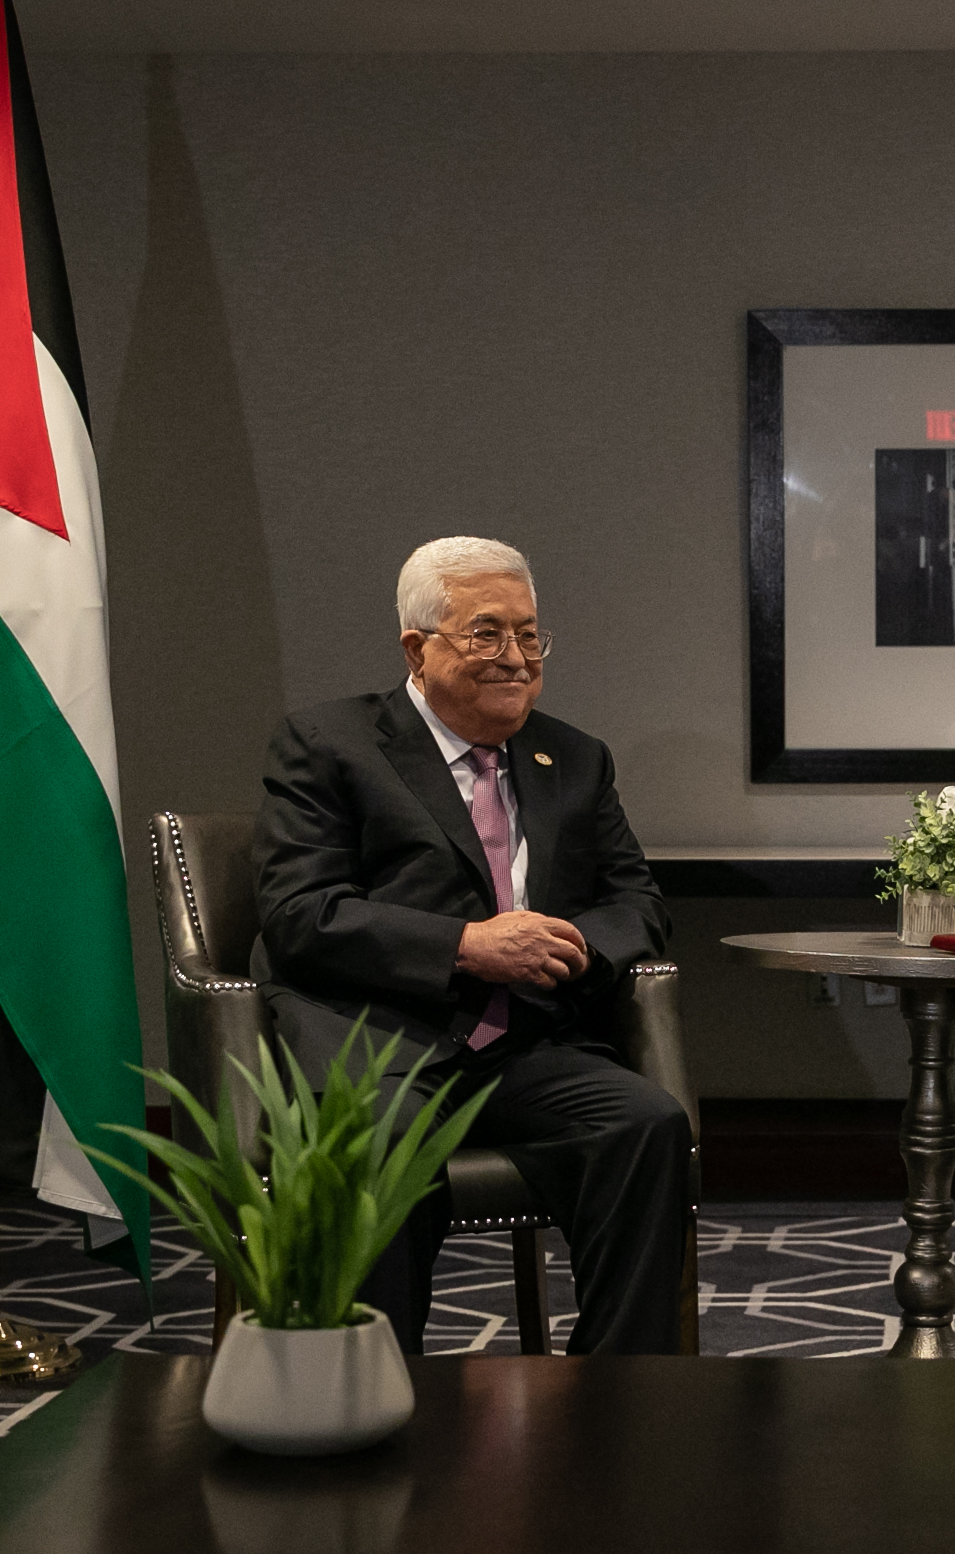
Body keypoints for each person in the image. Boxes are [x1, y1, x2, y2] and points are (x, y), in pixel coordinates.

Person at [251, 536, 684, 1355]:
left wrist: (570, 946)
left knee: (646, 1125)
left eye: (529, 634)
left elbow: (637, 902)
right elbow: (300, 915)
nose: (516, 657)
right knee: (374, 1143)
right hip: (378, 1042)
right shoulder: (328, 745)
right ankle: (371, 1395)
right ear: (418, 649)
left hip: (521, 1044)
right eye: (486, 634)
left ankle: (622, 1399)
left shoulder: (575, 758)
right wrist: (467, 946)